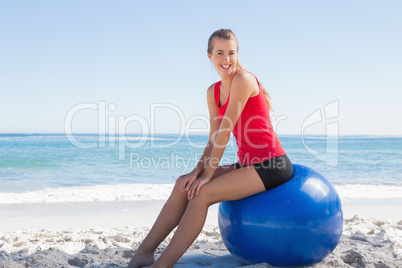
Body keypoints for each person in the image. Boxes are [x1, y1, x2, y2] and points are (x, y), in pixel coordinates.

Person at [128, 29, 293, 268]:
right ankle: (144, 252)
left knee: (201, 193)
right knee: (183, 184)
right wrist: (196, 171)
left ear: (237, 55)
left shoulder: (244, 80)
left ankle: (161, 265)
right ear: (210, 56)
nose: (226, 59)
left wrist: (207, 176)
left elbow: (225, 131)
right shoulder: (213, 91)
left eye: (231, 53)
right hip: (247, 165)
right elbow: (214, 137)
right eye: (220, 53)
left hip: (272, 165)